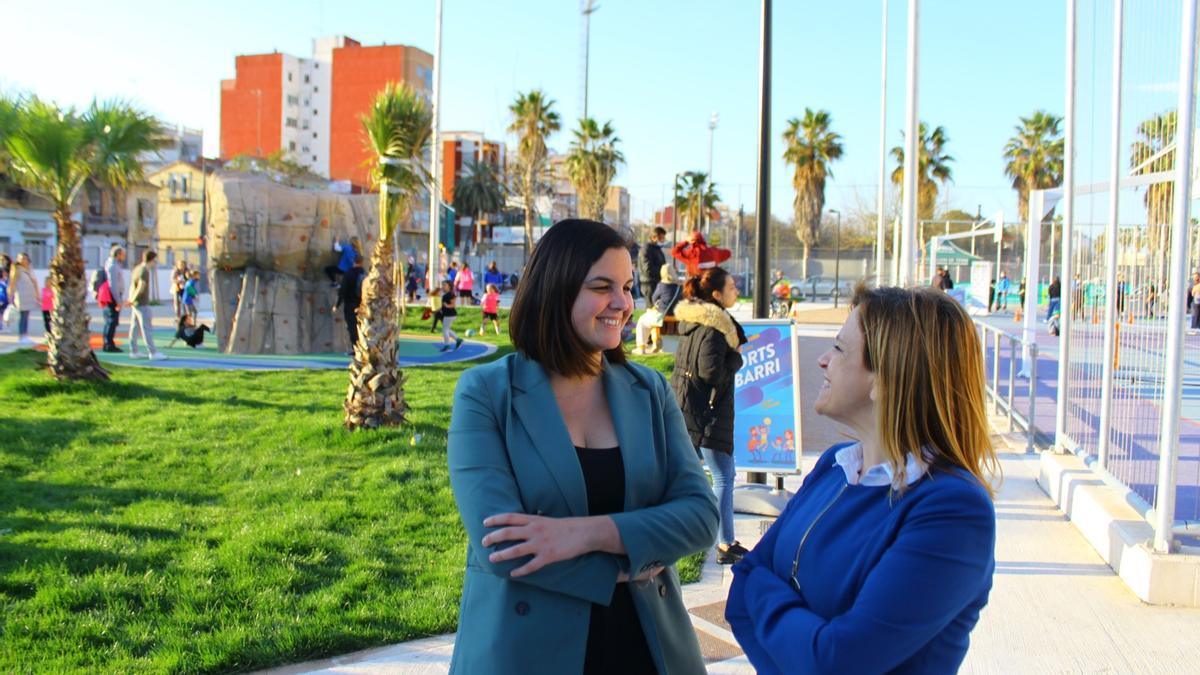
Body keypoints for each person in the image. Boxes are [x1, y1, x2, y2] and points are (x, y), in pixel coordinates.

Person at [446, 218, 718, 674]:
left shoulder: (648, 390)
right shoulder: (486, 393)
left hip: (646, 650)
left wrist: (580, 534)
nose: (623, 303)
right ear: (556, 289)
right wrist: (628, 563)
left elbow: (700, 516)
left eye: (628, 287)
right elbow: (502, 548)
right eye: (602, 286)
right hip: (524, 654)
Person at [726, 284, 999, 674]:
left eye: (838, 349)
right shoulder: (834, 466)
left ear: (886, 377)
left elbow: (835, 663)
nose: (823, 360)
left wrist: (760, 587)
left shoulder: (952, 511)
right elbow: (740, 596)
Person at [671, 265, 748, 564]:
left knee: (711, 475)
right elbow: (711, 372)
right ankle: (724, 544)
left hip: (691, 408)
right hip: (707, 412)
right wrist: (737, 358)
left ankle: (715, 539)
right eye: (732, 287)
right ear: (716, 294)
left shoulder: (696, 322)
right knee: (723, 476)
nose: (736, 291)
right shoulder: (715, 329)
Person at [633, 264, 681, 355]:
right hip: (676, 317)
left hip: (662, 317)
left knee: (642, 321)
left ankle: (642, 348)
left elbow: (654, 299)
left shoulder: (661, 285)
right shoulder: (679, 286)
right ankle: (656, 342)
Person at [128, 250, 166, 360]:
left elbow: (132, 286)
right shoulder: (144, 271)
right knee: (146, 328)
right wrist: (133, 299)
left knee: (134, 327)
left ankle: (133, 351)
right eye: (155, 260)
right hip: (142, 303)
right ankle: (152, 352)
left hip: (135, 303)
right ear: (152, 260)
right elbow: (141, 287)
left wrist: (130, 299)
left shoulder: (136, 269)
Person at [335, 254, 366, 355]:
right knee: (362, 326)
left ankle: (355, 348)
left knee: (352, 326)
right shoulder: (364, 273)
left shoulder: (349, 274)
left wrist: (337, 304)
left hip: (350, 304)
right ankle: (363, 347)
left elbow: (343, 290)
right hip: (362, 304)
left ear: (354, 261)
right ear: (362, 262)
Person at [9, 253, 40, 345]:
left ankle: (25, 336)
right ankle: (22, 336)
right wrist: (10, 296)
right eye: (21, 259)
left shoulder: (30, 269)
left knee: (26, 316)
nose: (23, 260)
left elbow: (35, 283)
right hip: (21, 296)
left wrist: (37, 295)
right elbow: (12, 283)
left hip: (29, 296)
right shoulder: (17, 270)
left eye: (25, 258)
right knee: (23, 316)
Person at [103, 245, 126, 352]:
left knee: (112, 321)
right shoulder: (113, 266)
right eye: (122, 254)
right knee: (111, 320)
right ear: (118, 254)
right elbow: (113, 284)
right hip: (113, 296)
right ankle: (108, 344)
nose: (124, 256)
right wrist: (118, 301)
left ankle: (109, 342)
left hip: (114, 295)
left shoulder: (114, 265)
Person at [638, 226, 668, 307]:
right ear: (654, 237)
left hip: (657, 282)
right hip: (649, 284)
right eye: (661, 238)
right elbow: (647, 269)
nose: (663, 240)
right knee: (651, 309)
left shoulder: (657, 249)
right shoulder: (646, 249)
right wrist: (663, 271)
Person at [440, 281, 462, 352]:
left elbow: (453, 305)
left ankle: (447, 345)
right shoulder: (446, 294)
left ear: (449, 286)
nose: (443, 286)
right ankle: (458, 340)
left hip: (450, 314)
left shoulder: (451, 294)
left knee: (445, 330)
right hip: (447, 314)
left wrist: (447, 306)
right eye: (442, 285)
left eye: (444, 285)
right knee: (447, 329)